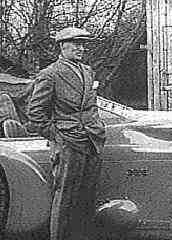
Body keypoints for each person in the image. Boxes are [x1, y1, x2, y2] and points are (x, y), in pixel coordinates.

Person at [26, 27, 106, 240]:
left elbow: (90, 105)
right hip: (68, 143)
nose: (81, 48)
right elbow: (35, 113)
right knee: (65, 198)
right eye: (76, 44)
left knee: (87, 198)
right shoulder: (50, 74)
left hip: (92, 140)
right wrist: (58, 136)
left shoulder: (87, 71)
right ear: (62, 46)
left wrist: (96, 126)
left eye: (83, 44)